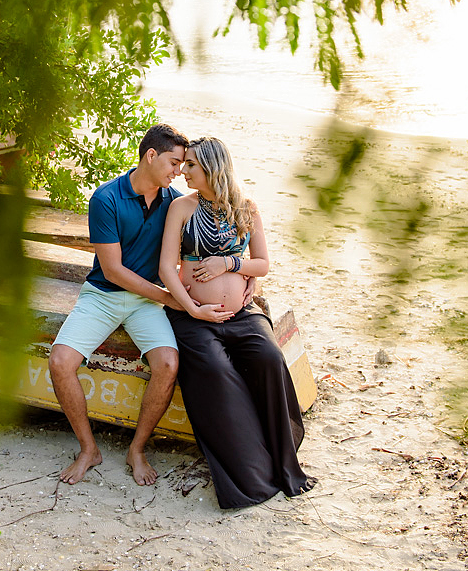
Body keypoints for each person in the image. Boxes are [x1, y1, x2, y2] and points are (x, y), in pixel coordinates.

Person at [49, 124, 214, 486]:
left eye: (184, 165)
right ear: (150, 156)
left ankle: (136, 449)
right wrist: (172, 300)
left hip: (146, 302)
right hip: (103, 295)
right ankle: (88, 449)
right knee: (60, 361)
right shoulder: (105, 198)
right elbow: (114, 270)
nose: (179, 172)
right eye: (174, 163)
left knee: (168, 363)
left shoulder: (174, 202)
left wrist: (234, 278)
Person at [158, 136, 315, 508]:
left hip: (242, 314)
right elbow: (167, 268)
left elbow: (262, 263)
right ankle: (251, 475)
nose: (184, 172)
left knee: (270, 359)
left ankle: (282, 459)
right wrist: (192, 308)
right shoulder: (181, 208)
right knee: (214, 370)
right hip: (194, 316)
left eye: (192, 165)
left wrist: (228, 264)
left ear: (212, 167)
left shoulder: (246, 207)